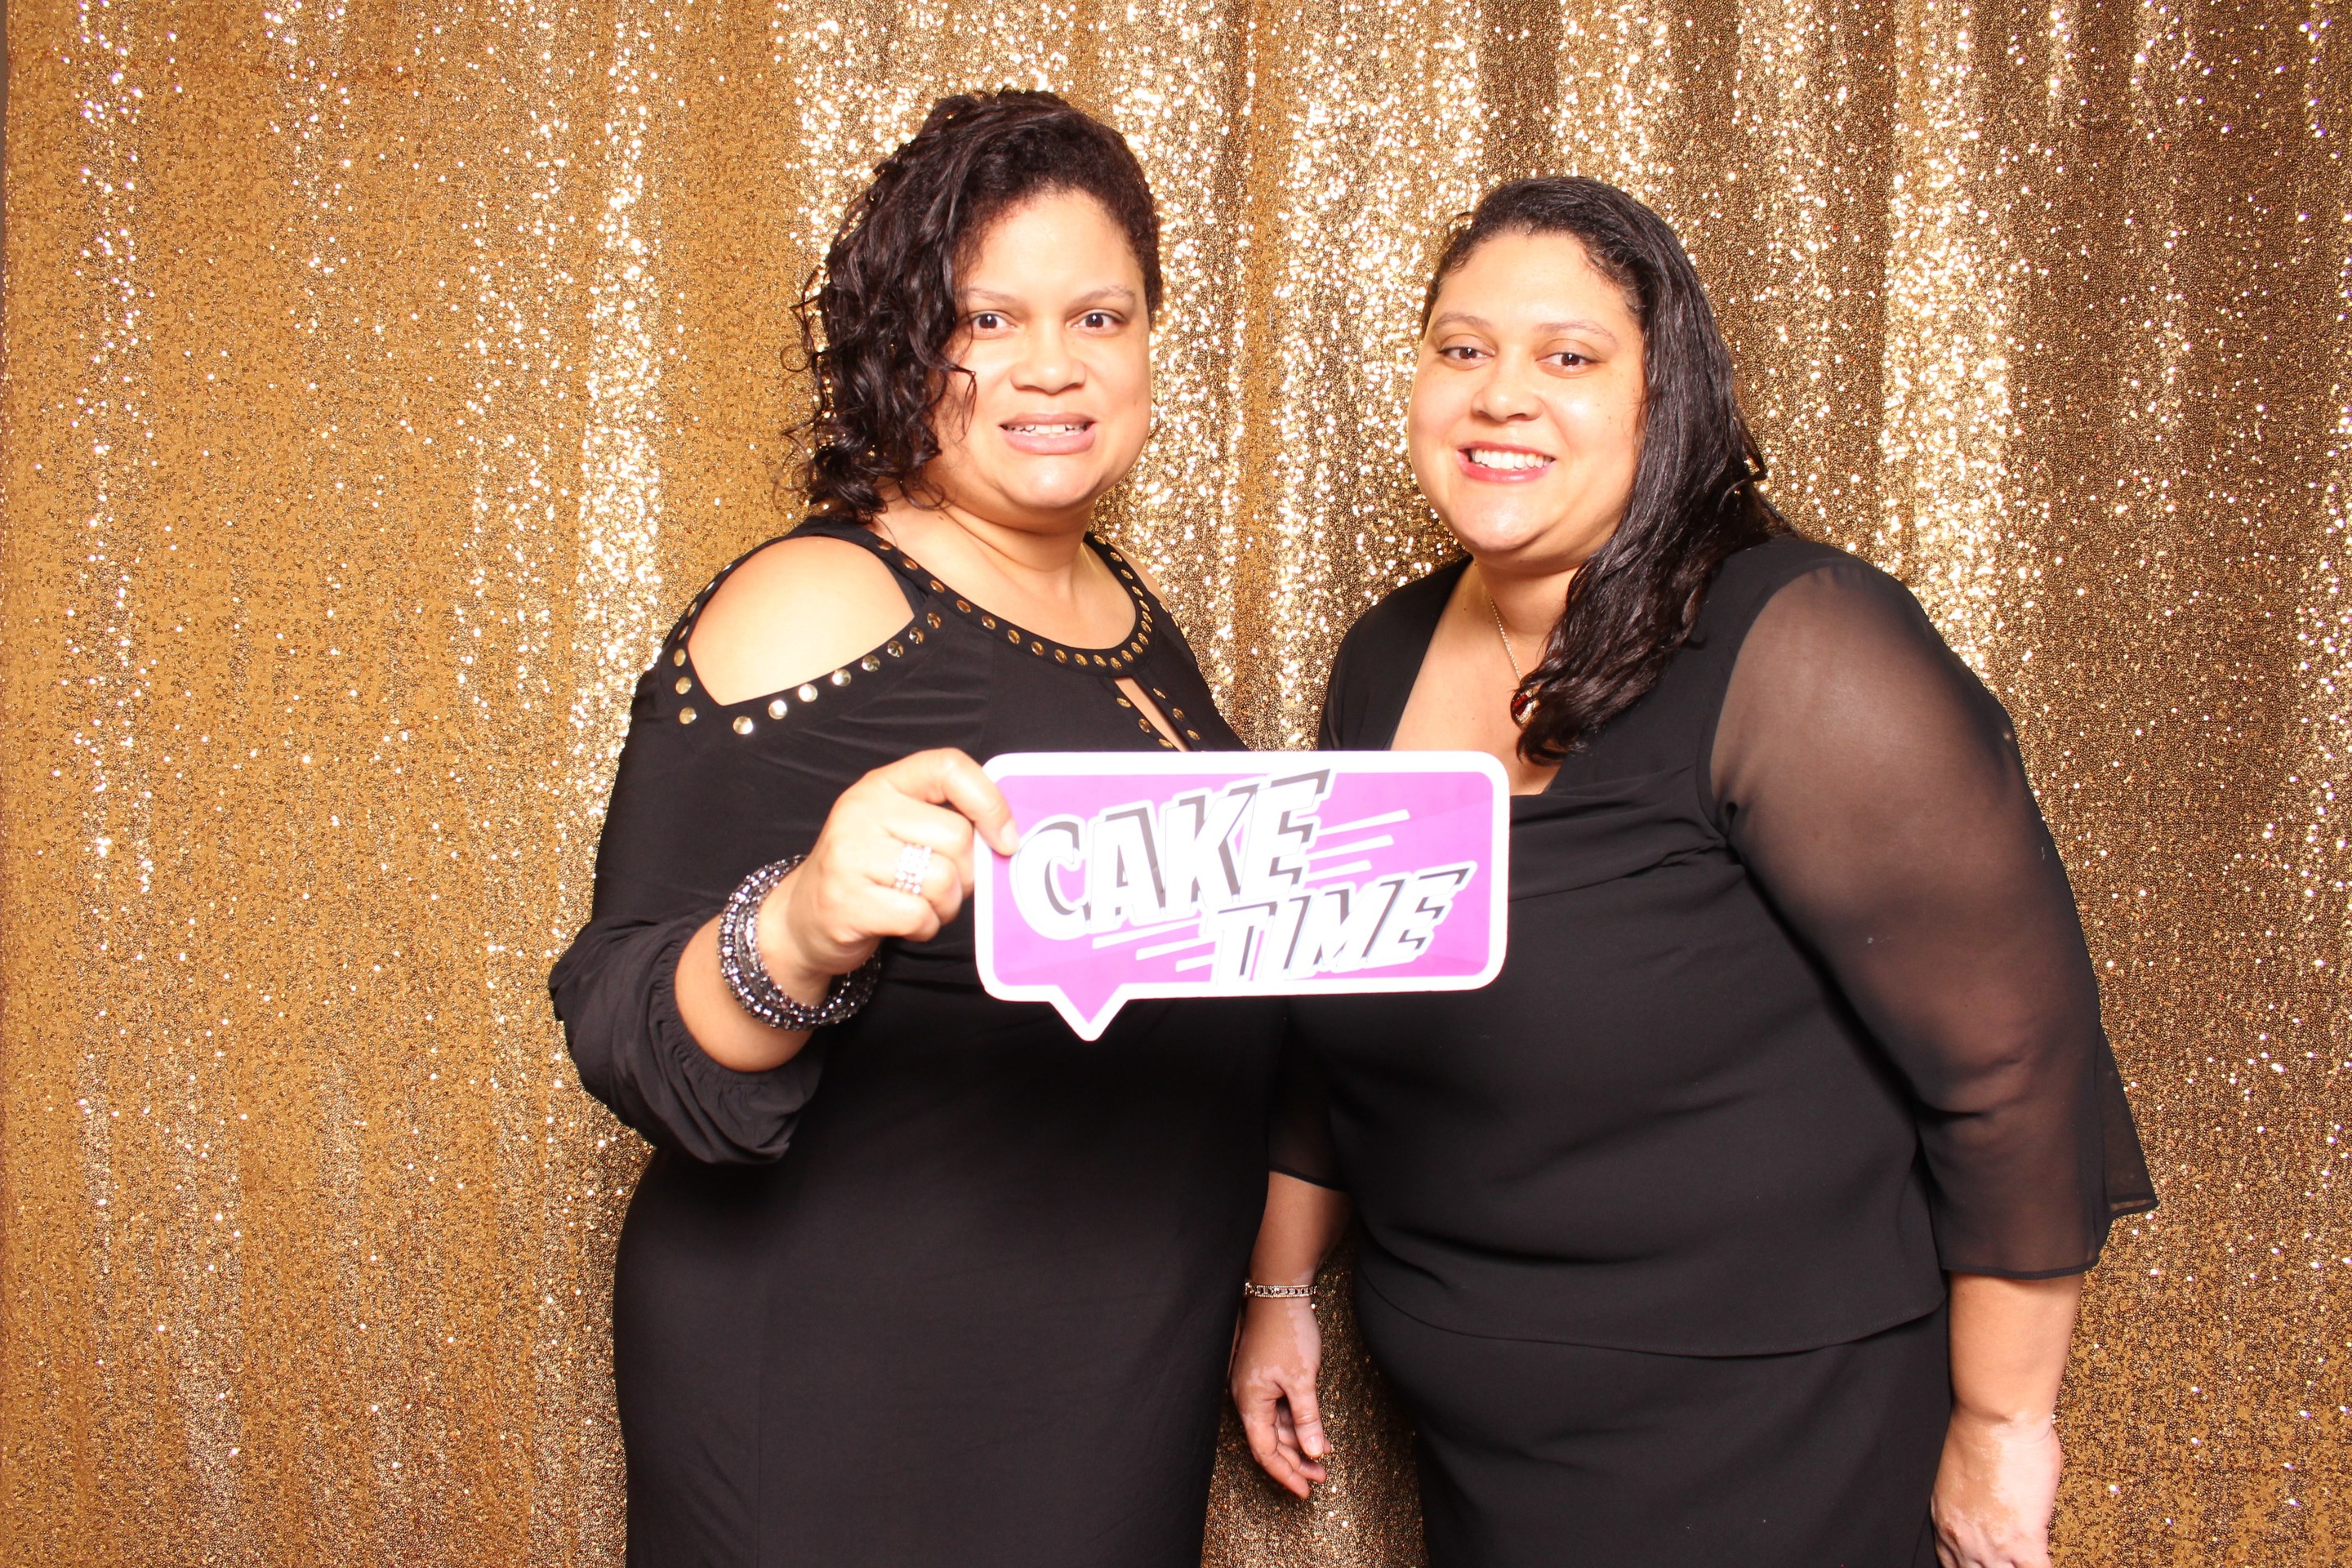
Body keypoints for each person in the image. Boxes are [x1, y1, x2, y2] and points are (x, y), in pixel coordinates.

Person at [1230, 176, 2157, 1568]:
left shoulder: (1800, 648)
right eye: (1462, 348)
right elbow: (1337, 1011)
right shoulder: (1387, 655)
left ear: (1664, 404)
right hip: (1487, 1445)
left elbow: (2014, 1060)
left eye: (1569, 356)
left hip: (1773, 1433)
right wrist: (1280, 1288)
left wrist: (2001, 1422)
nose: (1500, 395)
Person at [550, 91, 1287, 1567]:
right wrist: (798, 927)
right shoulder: (820, 600)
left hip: (1103, 1384)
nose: (1053, 366)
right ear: (901, 343)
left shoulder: (1133, 621)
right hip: (861, 1393)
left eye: (1099, 316)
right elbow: (620, 1015)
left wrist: (1273, 1291)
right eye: (987, 321)